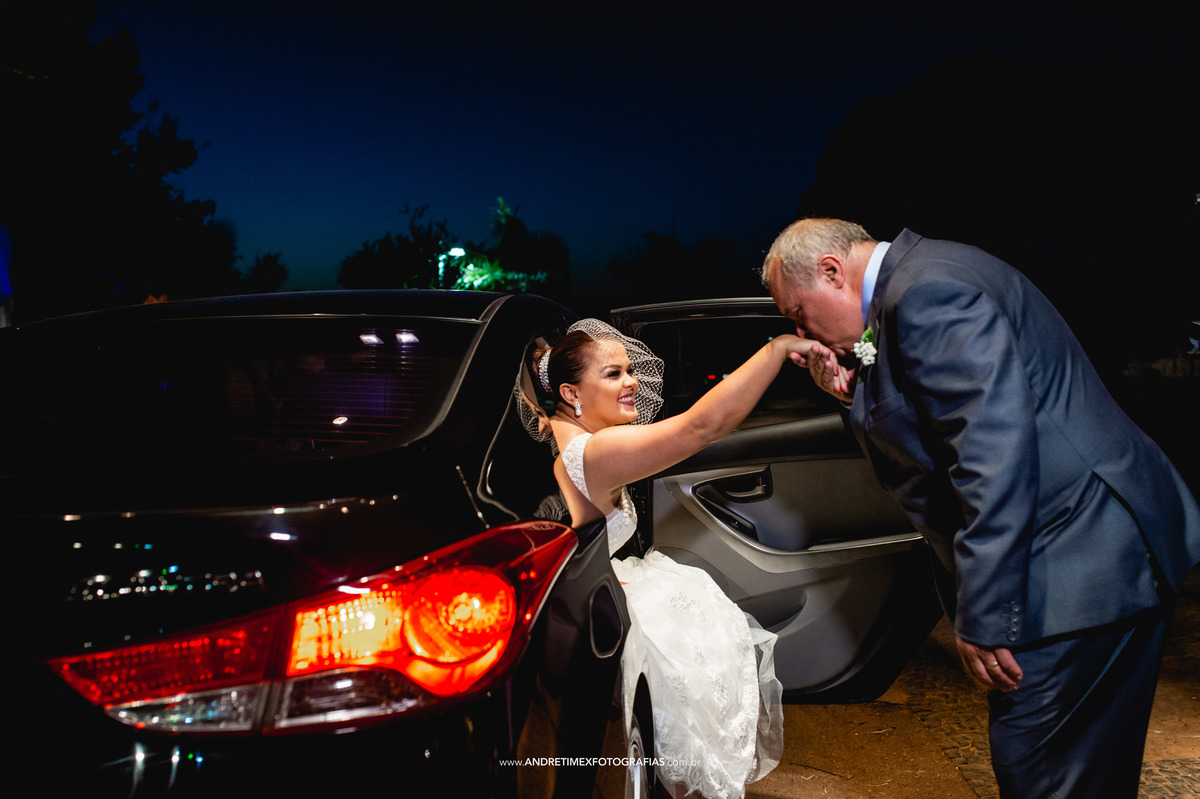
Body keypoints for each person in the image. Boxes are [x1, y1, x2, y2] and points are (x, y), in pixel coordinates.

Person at [761, 217, 1200, 798]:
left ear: (832, 272)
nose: (803, 331)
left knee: (1042, 771)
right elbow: (932, 421)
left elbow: (992, 459)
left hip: (1077, 560)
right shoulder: (922, 280)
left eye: (797, 312)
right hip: (1097, 549)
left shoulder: (927, 295)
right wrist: (849, 391)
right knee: (1085, 770)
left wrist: (990, 614)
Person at [517, 318, 813, 798]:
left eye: (630, 370)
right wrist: (777, 349)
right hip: (605, 606)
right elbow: (702, 426)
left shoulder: (566, 434)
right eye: (613, 374)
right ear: (572, 393)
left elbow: (545, 410)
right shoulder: (597, 451)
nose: (633, 382)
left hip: (606, 584)